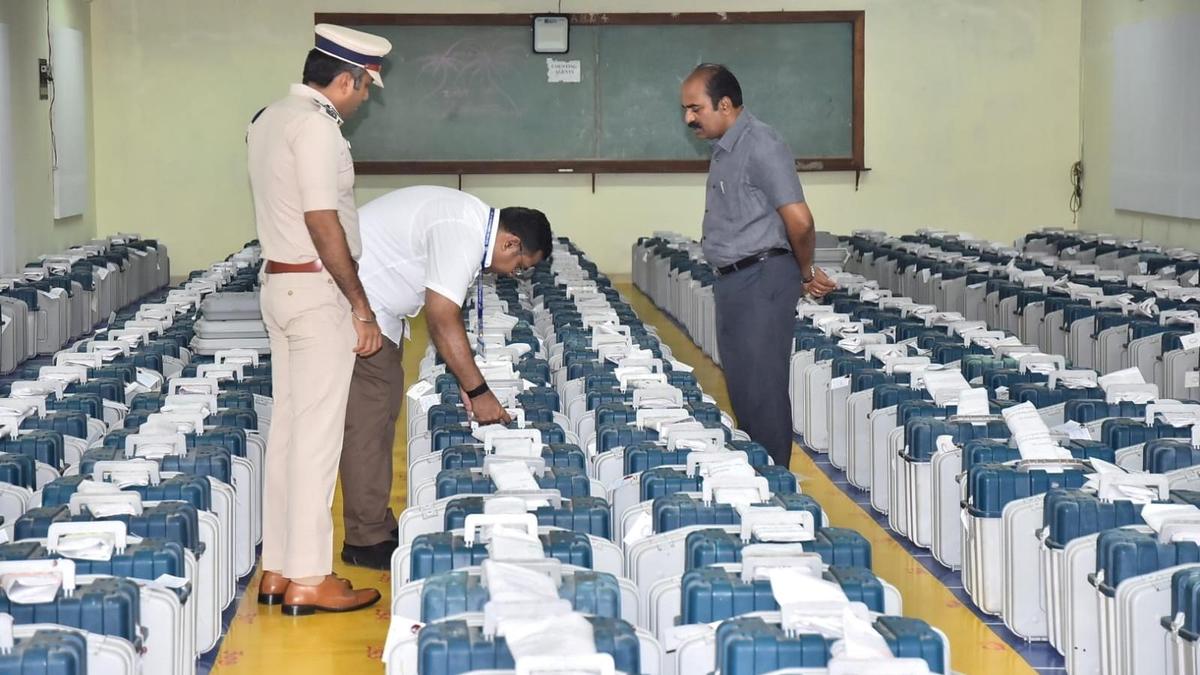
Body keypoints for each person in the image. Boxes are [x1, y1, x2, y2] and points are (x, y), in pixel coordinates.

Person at [245, 23, 390, 615]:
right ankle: (310, 576)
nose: (364, 100)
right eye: (366, 88)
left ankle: (277, 568)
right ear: (347, 79)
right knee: (317, 439)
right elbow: (322, 222)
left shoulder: (268, 118)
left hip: (278, 287)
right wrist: (359, 304)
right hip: (316, 292)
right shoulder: (316, 127)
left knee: (287, 434)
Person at [338, 185, 553, 569]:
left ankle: (375, 525)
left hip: (374, 306)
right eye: (519, 266)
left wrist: (465, 381)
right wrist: (479, 391)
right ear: (510, 243)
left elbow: (445, 324)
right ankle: (365, 539)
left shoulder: (468, 220)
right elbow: (441, 316)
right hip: (356, 307)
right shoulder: (463, 230)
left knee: (381, 415)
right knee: (369, 423)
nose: (513, 274)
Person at [679, 63, 837, 469]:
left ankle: (776, 486)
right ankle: (758, 475)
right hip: (735, 281)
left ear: (725, 104)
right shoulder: (724, 148)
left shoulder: (761, 144)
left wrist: (804, 274)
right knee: (745, 388)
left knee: (763, 390)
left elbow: (800, 222)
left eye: (695, 108)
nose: (688, 118)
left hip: (763, 279)